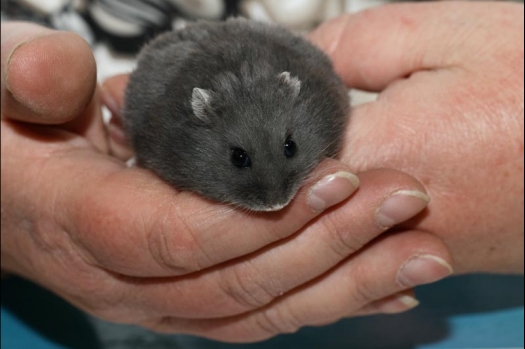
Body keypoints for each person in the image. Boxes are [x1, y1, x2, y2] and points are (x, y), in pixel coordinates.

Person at [1, 0, 522, 343]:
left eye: (292, 148)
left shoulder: (308, 93)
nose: (275, 194)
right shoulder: (171, 124)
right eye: (240, 161)